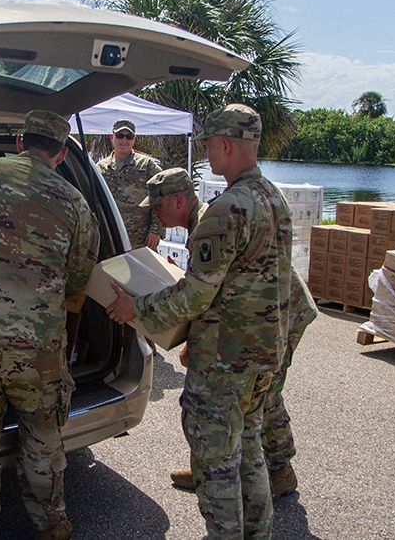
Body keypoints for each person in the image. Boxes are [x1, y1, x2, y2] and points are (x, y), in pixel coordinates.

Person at [106, 104, 293, 540]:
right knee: (247, 450)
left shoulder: (226, 211)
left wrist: (137, 310)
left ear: (225, 144)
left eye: (208, 144)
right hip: (265, 349)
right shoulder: (269, 195)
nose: (207, 153)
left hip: (228, 357)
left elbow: (195, 294)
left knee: (215, 462)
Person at [0, 110, 100, 540]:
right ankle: (51, 524)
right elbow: (80, 277)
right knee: (43, 436)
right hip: (37, 342)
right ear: (61, 154)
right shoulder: (74, 202)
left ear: (19, 141)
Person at [142, 168, 318, 501]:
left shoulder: (213, 222)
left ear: (178, 200)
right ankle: (211, 467)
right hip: (256, 312)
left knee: (262, 395)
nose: (154, 214)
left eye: (157, 206)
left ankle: (281, 471)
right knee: (244, 397)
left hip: (277, 315)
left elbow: (202, 294)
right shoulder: (202, 221)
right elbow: (216, 289)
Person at [96, 119, 163, 250]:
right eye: (120, 136)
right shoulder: (101, 168)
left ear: (134, 139)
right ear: (112, 137)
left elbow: (163, 194)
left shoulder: (146, 165)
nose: (124, 141)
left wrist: (156, 230)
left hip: (141, 239)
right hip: (110, 238)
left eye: (129, 136)